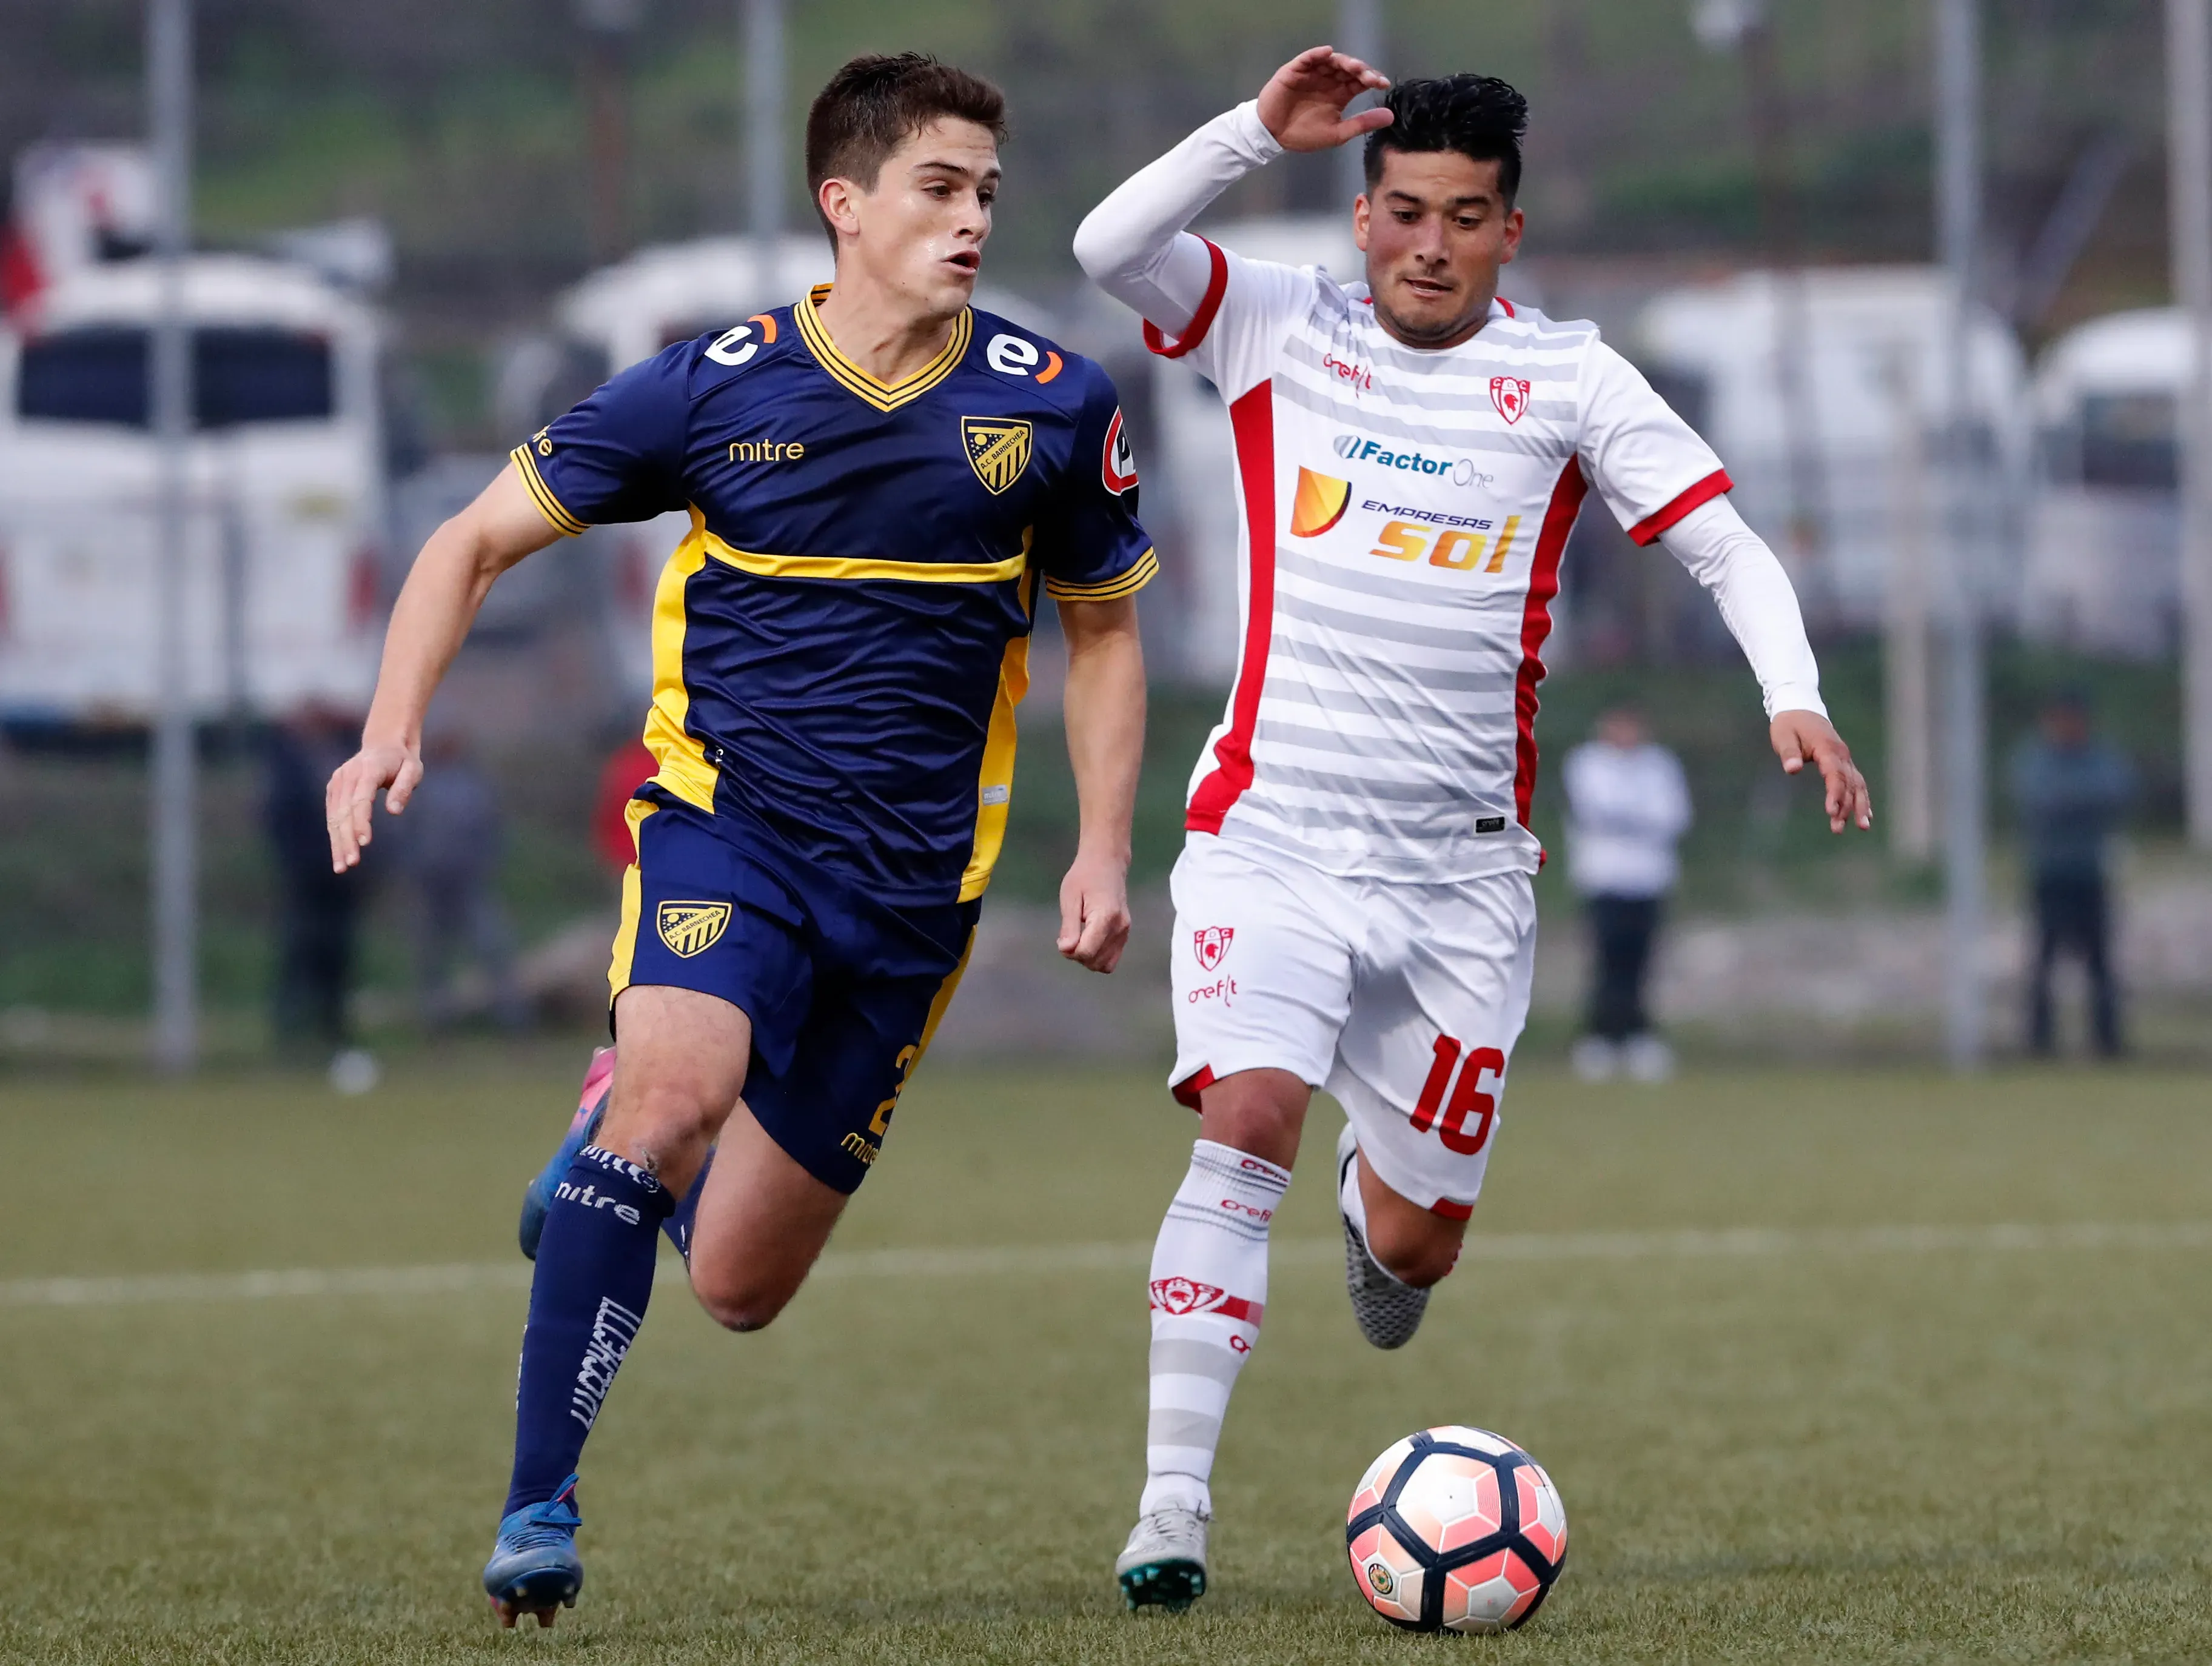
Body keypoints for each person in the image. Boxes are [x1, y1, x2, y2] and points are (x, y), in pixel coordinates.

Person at [324, 53, 1154, 1627]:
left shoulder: (1055, 404)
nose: (973, 215)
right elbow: (470, 539)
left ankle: (601, 1148)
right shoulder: (710, 385)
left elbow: (1107, 634)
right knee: (676, 1102)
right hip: (729, 833)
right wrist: (392, 726)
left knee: (737, 1286)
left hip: (916, 901)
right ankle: (537, 1506)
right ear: (843, 202)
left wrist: (1103, 845)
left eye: (986, 188)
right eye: (938, 185)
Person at [1074, 47, 1871, 1610]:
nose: (1429, 244)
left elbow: (1723, 546)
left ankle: (1388, 1220)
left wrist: (1797, 688)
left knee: (1420, 1246)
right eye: (1405, 211)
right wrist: (1249, 132)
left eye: (1465, 217)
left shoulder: (1570, 377)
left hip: (1459, 885)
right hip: (1274, 832)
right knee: (1244, 1123)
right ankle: (1171, 1507)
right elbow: (1108, 249)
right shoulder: (1272, 320)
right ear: (1363, 214)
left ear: (1511, 232)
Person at [1562, 705, 1691, 1082]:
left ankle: (1638, 1035)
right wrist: (1640, 818)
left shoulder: (1660, 765)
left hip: (1649, 878)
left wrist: (1627, 818)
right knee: (1607, 959)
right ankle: (1599, 1037)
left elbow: (1675, 817)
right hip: (1604, 877)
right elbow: (1594, 812)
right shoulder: (1586, 763)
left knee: (1641, 961)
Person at [2009, 691, 2134, 1057]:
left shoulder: (2100, 758)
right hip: (2049, 873)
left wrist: (2071, 802)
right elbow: (2039, 799)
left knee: (2101, 964)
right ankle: (2038, 1043)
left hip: (2089, 872)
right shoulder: (2037, 759)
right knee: (2043, 963)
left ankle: (2108, 1042)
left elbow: (2117, 792)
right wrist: (2078, 803)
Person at [398, 728, 527, 1033]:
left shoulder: (476, 784)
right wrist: (413, 869)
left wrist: (486, 864)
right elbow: (404, 832)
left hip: (471, 883)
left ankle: (513, 1020)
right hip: (430, 883)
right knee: (432, 955)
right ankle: (436, 1024)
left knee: (493, 947)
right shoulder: (417, 784)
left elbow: (493, 829)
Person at [265, 700, 370, 1063]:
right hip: (307, 880)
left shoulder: (342, 758)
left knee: (338, 959)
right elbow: (280, 822)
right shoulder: (289, 769)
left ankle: (334, 1031)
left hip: (342, 880)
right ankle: (290, 1034)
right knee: (301, 955)